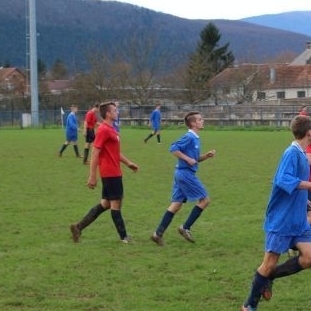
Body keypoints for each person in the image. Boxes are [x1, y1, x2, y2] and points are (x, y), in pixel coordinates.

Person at [240, 115, 311, 311]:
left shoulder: (301, 153)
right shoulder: (291, 153)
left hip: (298, 219)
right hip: (282, 220)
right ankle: (249, 305)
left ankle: (268, 277)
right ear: (309, 133)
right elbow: (283, 180)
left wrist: (306, 197)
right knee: (268, 263)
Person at [70, 101, 139, 244]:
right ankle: (124, 237)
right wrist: (92, 176)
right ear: (108, 113)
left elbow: (114, 152)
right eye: (115, 110)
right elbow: (95, 153)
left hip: (114, 171)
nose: (117, 112)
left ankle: (78, 227)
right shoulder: (103, 130)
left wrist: (128, 163)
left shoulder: (112, 129)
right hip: (110, 173)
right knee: (116, 204)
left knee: (106, 204)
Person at [150, 111, 216, 246]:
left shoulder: (195, 138)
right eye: (200, 119)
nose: (202, 121)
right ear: (193, 123)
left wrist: (205, 156)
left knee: (176, 205)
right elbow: (173, 148)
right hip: (186, 174)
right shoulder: (190, 137)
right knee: (205, 200)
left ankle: (157, 234)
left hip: (181, 173)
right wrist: (187, 158)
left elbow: (194, 159)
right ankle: (185, 227)